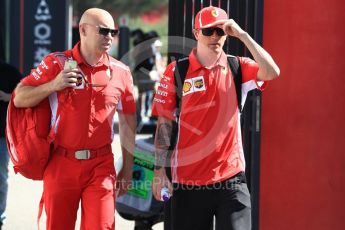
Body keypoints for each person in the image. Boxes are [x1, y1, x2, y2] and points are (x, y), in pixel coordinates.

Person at [151, 6, 280, 230]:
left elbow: (272, 72)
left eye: (220, 31)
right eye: (208, 31)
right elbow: (164, 124)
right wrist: (159, 171)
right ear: (195, 33)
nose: (214, 37)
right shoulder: (176, 71)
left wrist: (242, 35)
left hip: (231, 179)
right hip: (188, 181)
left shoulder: (238, 66)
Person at [13, 8, 136, 230]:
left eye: (113, 32)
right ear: (83, 30)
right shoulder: (56, 63)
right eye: (103, 31)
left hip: (101, 165)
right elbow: (20, 98)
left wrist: (128, 168)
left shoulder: (121, 72)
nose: (109, 37)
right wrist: (53, 85)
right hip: (61, 162)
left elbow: (128, 123)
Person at [0, 61, 22, 229]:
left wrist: (10, 96)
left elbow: (27, 92)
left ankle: (0, 215)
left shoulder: (9, 71)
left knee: (1, 178)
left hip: (1, 136)